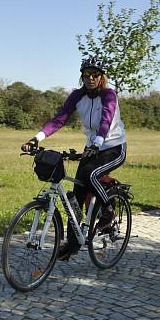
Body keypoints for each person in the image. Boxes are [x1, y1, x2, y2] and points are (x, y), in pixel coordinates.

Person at [21, 55, 127, 258]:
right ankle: (72, 245)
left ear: (101, 77)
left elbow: (106, 119)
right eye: (87, 74)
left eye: (95, 74)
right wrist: (37, 138)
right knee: (76, 198)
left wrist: (98, 142)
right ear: (82, 76)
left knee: (91, 175)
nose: (90, 78)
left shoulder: (109, 95)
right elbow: (59, 119)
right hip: (92, 148)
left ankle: (108, 213)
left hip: (113, 147)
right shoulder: (77, 96)